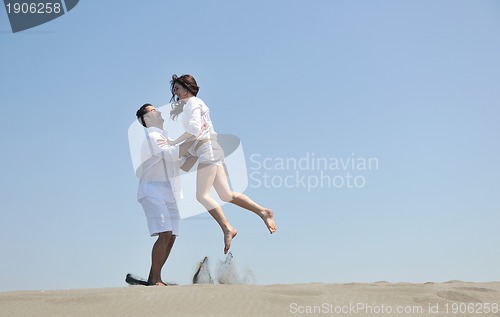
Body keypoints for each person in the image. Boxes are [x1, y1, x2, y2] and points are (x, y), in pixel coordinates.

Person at [167, 74, 277, 254]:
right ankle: (263, 212)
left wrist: (174, 143)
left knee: (202, 196)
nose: (175, 92)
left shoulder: (194, 103)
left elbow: (194, 130)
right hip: (211, 149)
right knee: (225, 194)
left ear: (187, 88)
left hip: (208, 149)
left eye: (178, 88)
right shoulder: (192, 105)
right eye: (174, 89)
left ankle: (228, 228)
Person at [134, 103, 196, 286]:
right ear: (146, 118)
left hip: (170, 193)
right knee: (165, 233)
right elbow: (172, 154)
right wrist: (195, 140)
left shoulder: (164, 137)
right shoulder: (153, 136)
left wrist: (199, 151)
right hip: (152, 191)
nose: (159, 111)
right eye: (153, 110)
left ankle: (154, 277)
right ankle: (155, 279)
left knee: (172, 236)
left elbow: (181, 163)